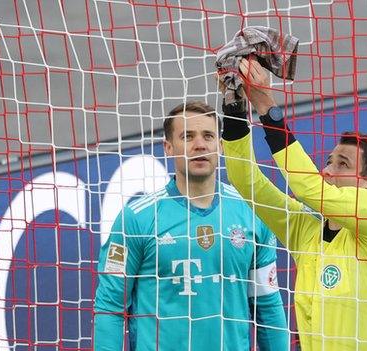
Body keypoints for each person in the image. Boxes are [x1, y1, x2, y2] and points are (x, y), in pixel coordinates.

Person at [220, 58, 367, 350]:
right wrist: (234, 110)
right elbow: (247, 183)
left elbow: (308, 187)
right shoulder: (305, 232)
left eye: (342, 164)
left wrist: (268, 109)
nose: (328, 171)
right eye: (328, 162)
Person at [93, 101, 289, 351]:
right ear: (168, 147)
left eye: (208, 136)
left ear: (219, 145)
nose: (200, 145)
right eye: (187, 136)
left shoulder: (252, 212)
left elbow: (268, 307)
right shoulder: (137, 218)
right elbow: (110, 308)